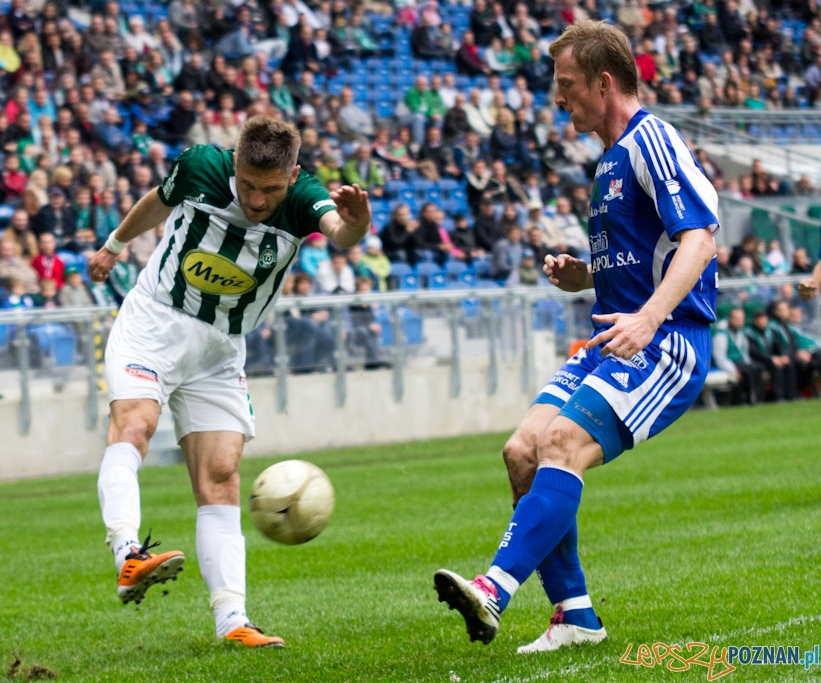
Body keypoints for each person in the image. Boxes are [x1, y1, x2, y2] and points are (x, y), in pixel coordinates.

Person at [434, 21, 720, 654]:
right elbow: (649, 255)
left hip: (664, 342)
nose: (557, 97)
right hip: (610, 339)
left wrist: (649, 318)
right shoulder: (610, 158)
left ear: (604, 82)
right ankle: (576, 615)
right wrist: (587, 277)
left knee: (562, 443)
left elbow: (699, 240)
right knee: (522, 451)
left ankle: (492, 589)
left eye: (566, 84)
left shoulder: (651, 141)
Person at [86, 117, 370, 648]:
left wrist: (358, 224)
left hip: (220, 348)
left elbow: (341, 232)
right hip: (154, 323)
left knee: (221, 474)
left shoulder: (303, 197)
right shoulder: (200, 166)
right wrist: (114, 245)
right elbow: (159, 201)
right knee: (136, 425)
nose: (258, 200)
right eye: (248, 184)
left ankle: (232, 621)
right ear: (234, 163)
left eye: (271, 189)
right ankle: (128, 553)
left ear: (292, 176)